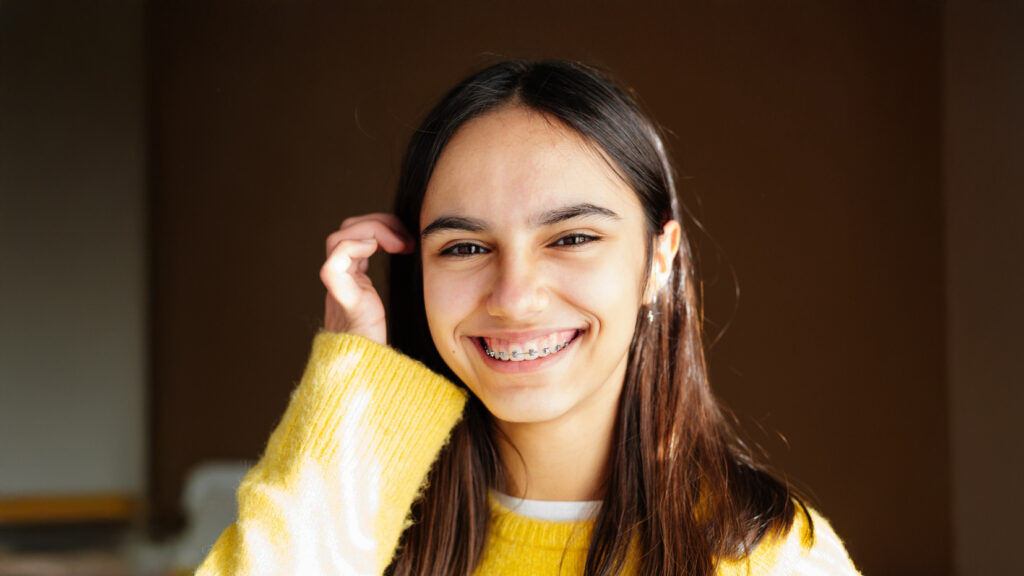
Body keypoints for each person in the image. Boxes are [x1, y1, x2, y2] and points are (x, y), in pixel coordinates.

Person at [197, 60, 860, 575]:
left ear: (660, 257)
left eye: (571, 238)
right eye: (463, 247)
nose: (513, 296)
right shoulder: (356, 533)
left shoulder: (769, 557)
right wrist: (348, 391)